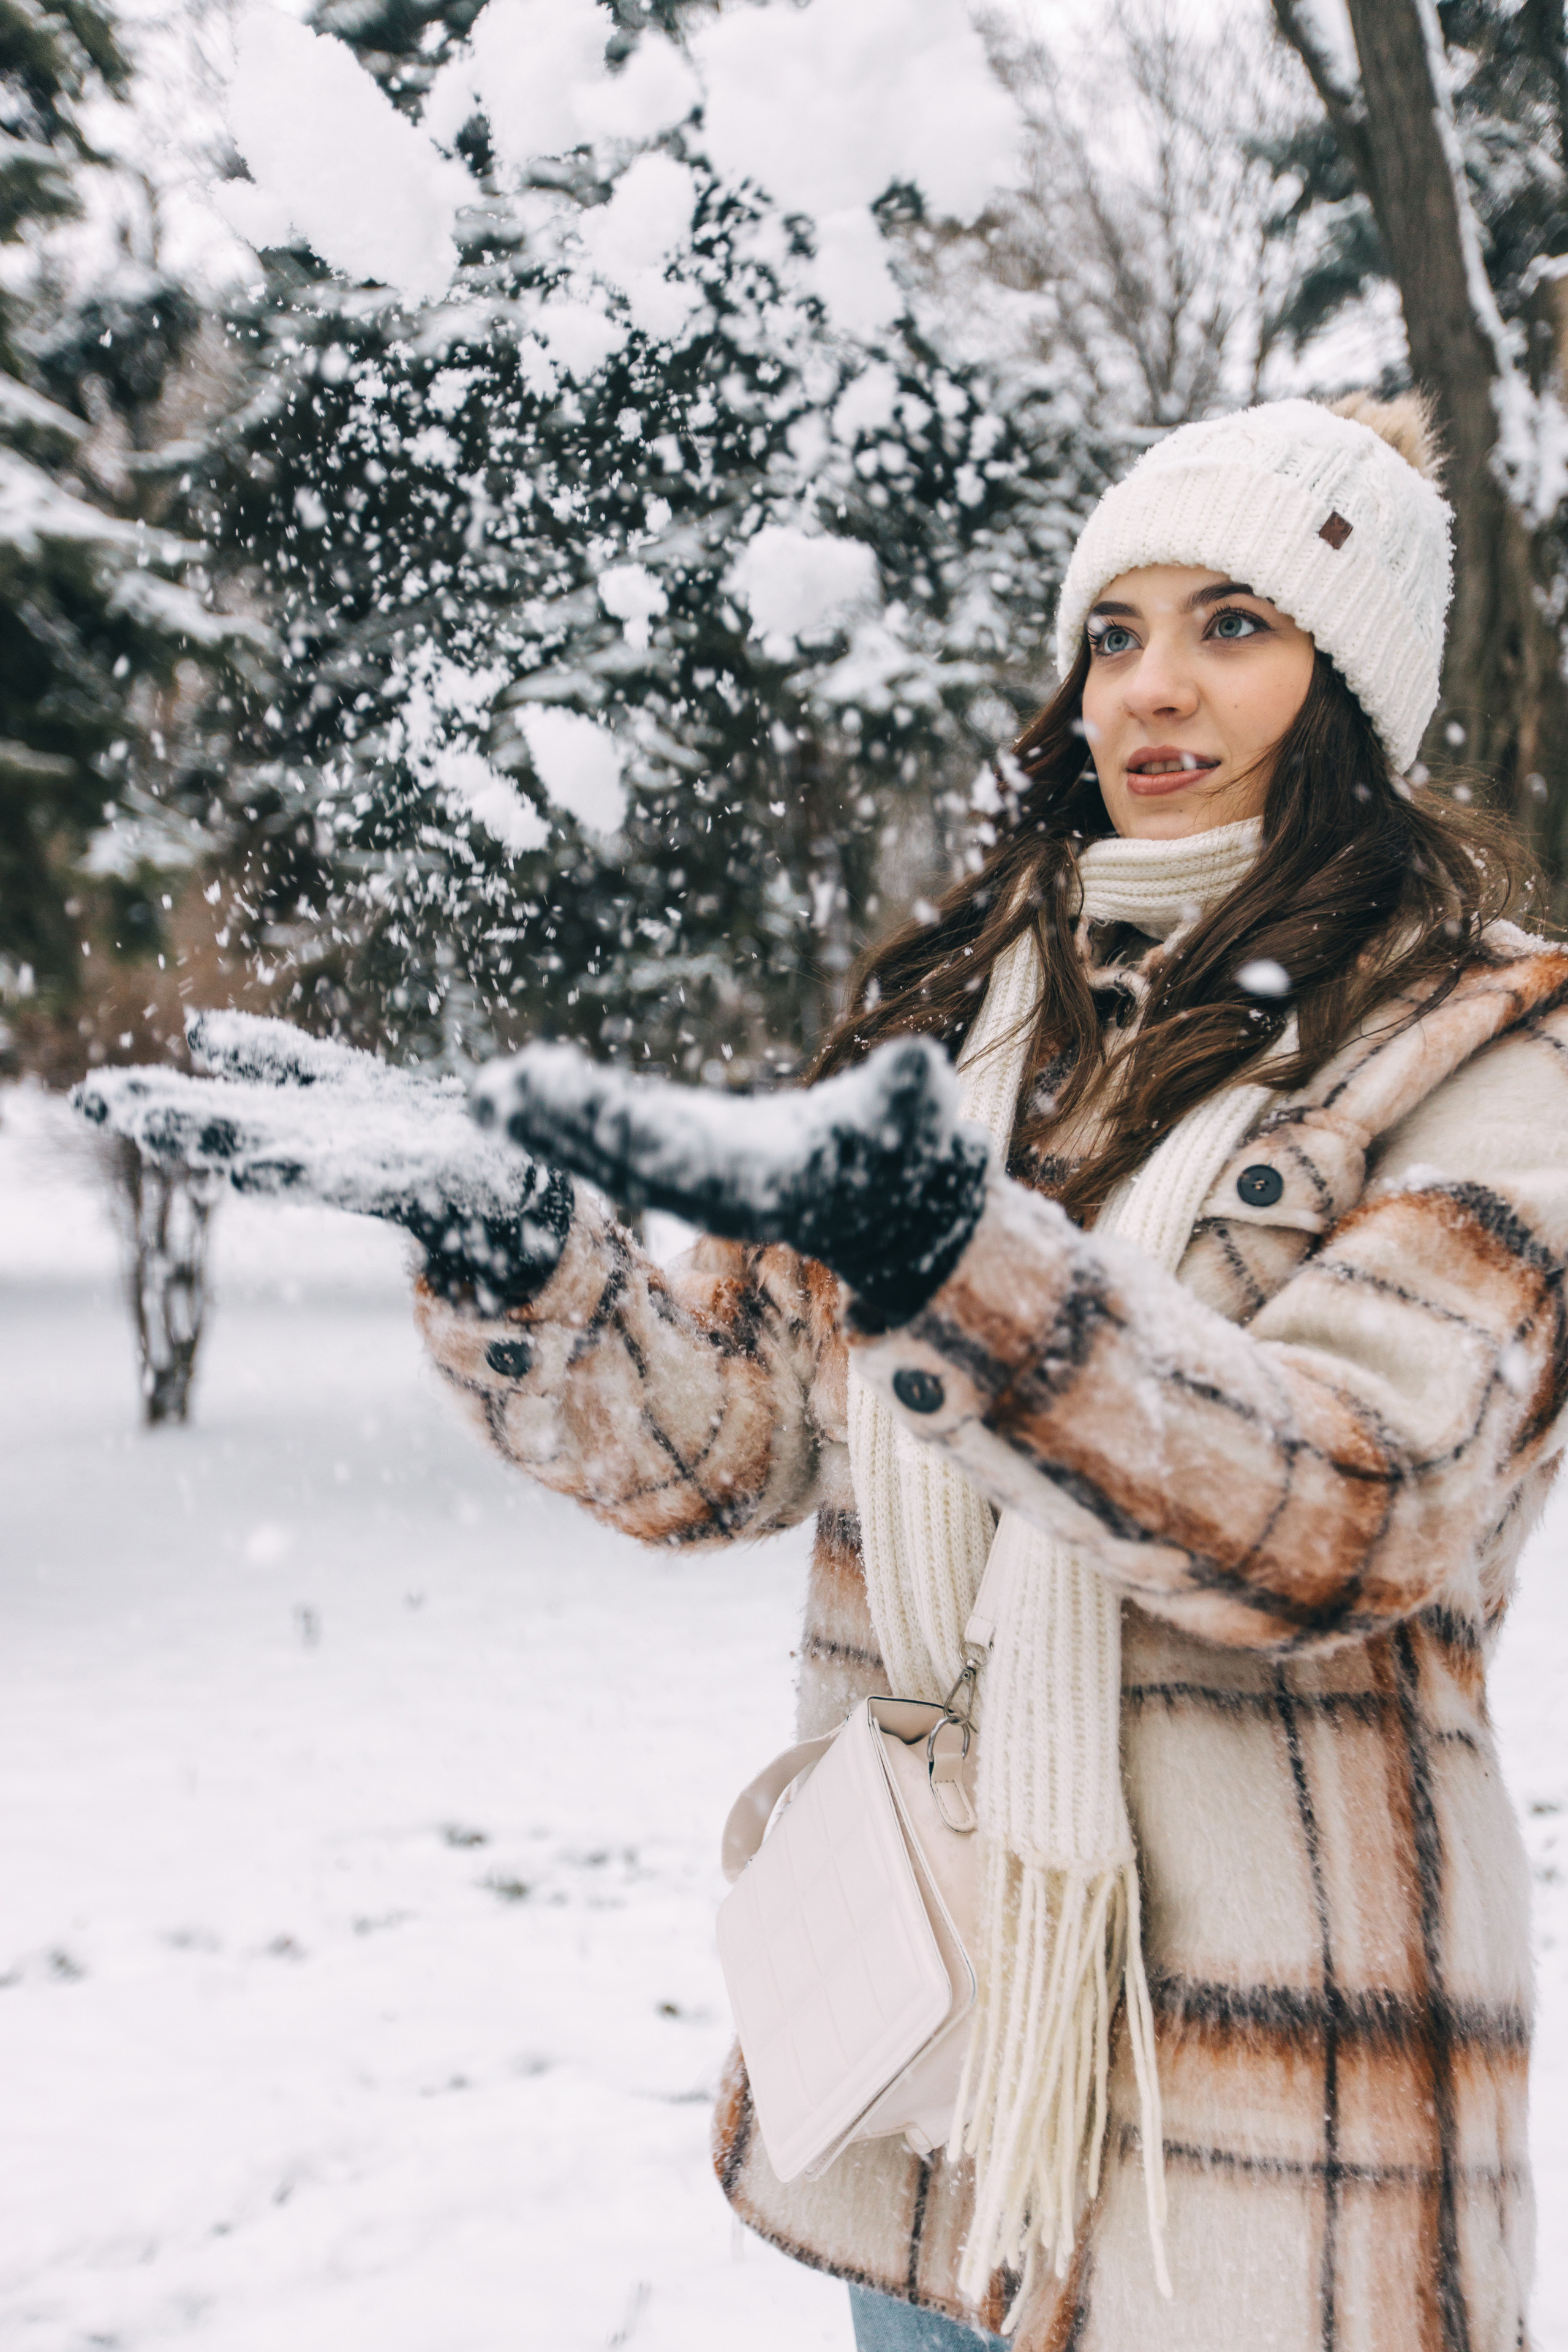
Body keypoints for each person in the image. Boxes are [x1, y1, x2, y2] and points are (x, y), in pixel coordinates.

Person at [82, 393, 1552, 2350]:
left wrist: (964, 1269)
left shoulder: (1486, 1057)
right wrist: (526, 1257)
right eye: (1113, 633)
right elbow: (726, 1444)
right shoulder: (973, 1039)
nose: (1153, 692)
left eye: (1234, 626)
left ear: (1353, 689)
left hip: (1267, 2131)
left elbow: (1354, 1510)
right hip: (938, 2098)